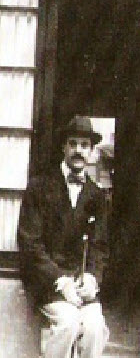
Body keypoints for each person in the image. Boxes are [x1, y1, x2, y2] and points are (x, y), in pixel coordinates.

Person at [18, 115, 109, 358]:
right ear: (64, 147)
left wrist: (92, 279)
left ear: (91, 150)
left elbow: (99, 246)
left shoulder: (97, 195)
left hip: (80, 284)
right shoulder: (39, 187)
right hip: (48, 281)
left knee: (94, 328)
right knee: (67, 324)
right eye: (73, 144)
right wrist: (61, 281)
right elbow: (30, 244)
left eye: (85, 145)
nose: (78, 151)